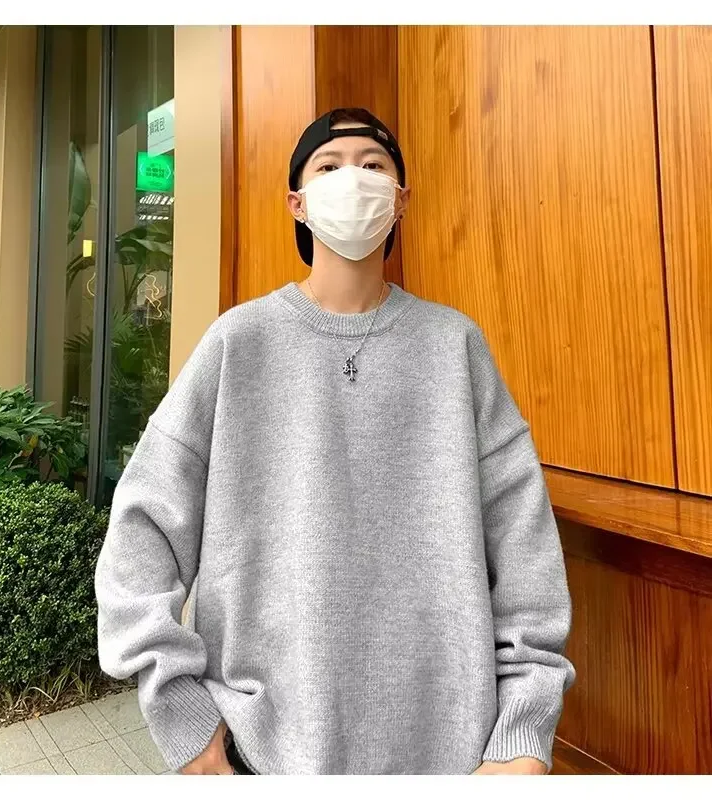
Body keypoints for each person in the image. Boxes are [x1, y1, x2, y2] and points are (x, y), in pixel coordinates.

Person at [94, 107, 576, 776]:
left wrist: (522, 733)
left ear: (401, 199)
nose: (353, 178)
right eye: (329, 165)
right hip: (263, 754)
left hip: (453, 759)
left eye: (373, 165)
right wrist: (185, 721)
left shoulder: (455, 347)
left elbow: (525, 551)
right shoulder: (238, 344)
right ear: (296, 201)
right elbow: (141, 532)